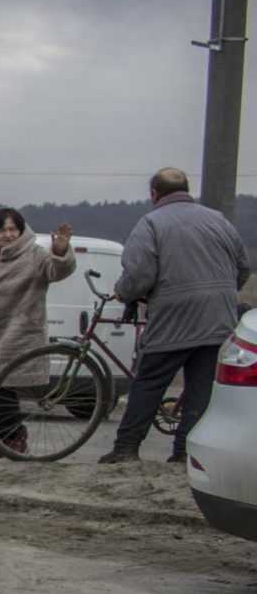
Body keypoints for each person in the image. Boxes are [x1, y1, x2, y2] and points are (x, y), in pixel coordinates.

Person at [100, 167, 251, 463]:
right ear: (186, 188)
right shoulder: (218, 220)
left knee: (149, 381)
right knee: (201, 389)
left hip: (173, 319)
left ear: (154, 194)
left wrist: (124, 293)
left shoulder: (151, 224)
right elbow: (242, 267)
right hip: (218, 319)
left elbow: (139, 277)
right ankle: (185, 452)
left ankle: (126, 448)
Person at [0, 207, 75, 457]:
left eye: (13, 229)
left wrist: (61, 251)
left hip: (18, 331)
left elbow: (57, 271)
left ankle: (13, 441)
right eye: (2, 230)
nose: (8, 235)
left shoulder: (33, 255)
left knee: (3, 390)